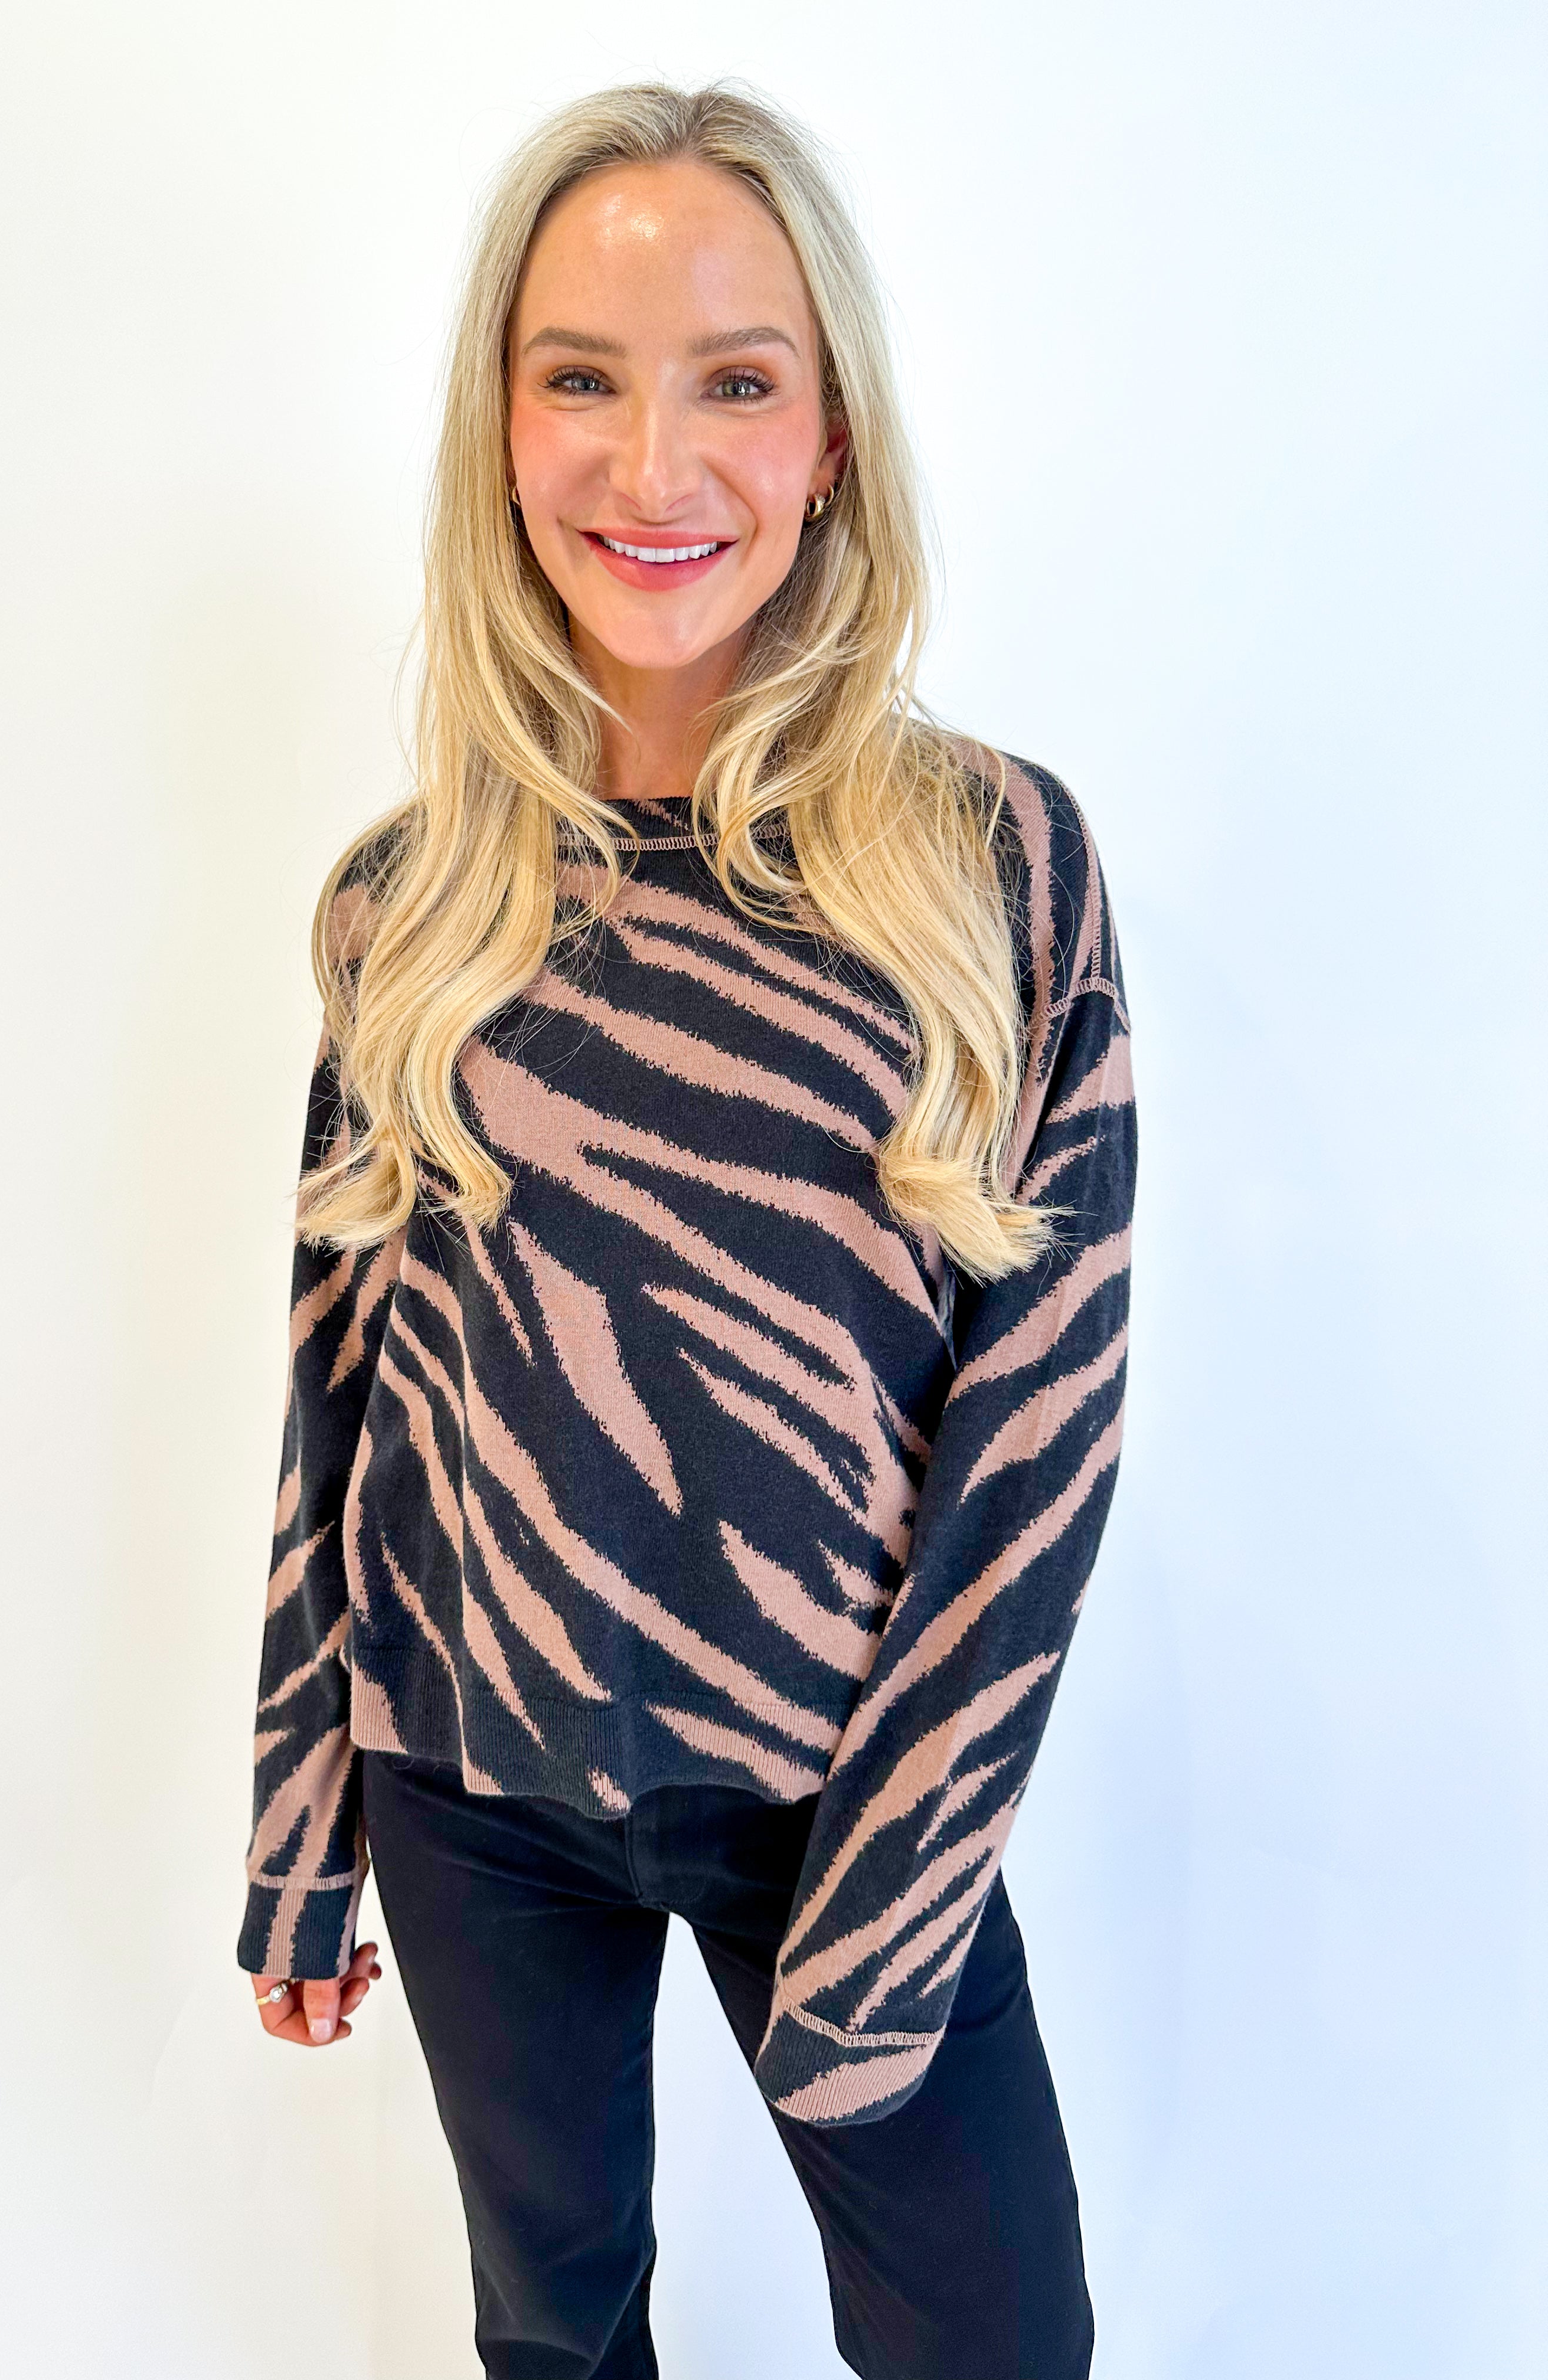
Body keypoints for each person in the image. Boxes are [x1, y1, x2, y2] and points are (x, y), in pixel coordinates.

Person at [236, 77, 1135, 2380]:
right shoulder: (406, 901)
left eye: (737, 381)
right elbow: (339, 1390)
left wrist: (886, 1923)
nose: (655, 468)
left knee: (999, 2341)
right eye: (582, 380)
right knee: (555, 2338)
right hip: (471, 1792)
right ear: (500, 428)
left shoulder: (992, 863)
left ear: (832, 438)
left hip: (841, 1800)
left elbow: (1041, 1440)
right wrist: (300, 1827)